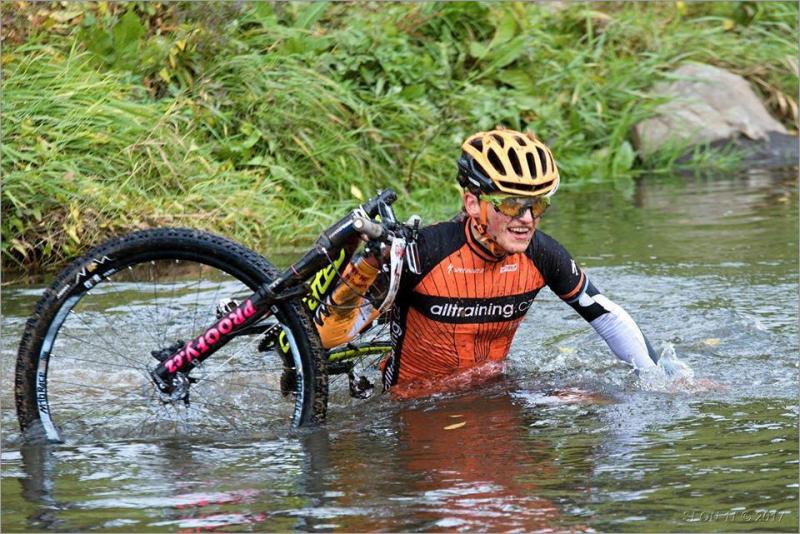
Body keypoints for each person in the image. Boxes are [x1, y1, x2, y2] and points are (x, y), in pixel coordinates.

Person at [315, 127, 659, 394]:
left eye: (537, 205)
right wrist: (365, 269)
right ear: (472, 204)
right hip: (412, 407)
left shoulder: (541, 253)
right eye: (511, 204)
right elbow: (328, 338)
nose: (526, 218)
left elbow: (607, 318)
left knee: (593, 396)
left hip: (490, 395)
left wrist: (661, 382)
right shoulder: (425, 252)